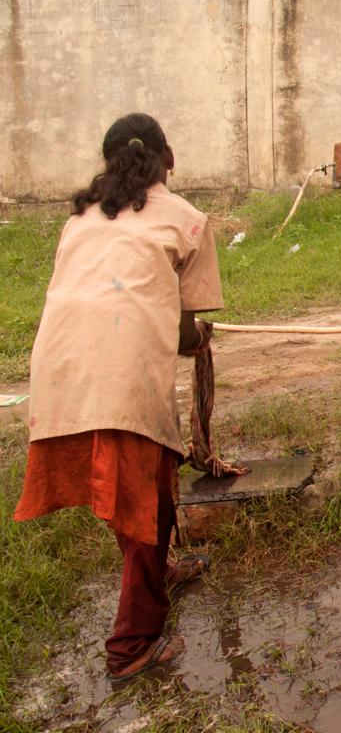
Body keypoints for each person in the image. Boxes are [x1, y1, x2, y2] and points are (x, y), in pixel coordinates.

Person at [13, 113, 240, 681]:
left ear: (106, 161)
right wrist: (198, 338)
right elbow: (188, 331)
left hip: (57, 372)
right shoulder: (186, 220)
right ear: (170, 157)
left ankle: (161, 572)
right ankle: (131, 647)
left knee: (141, 487)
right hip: (121, 373)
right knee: (147, 509)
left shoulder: (79, 219)